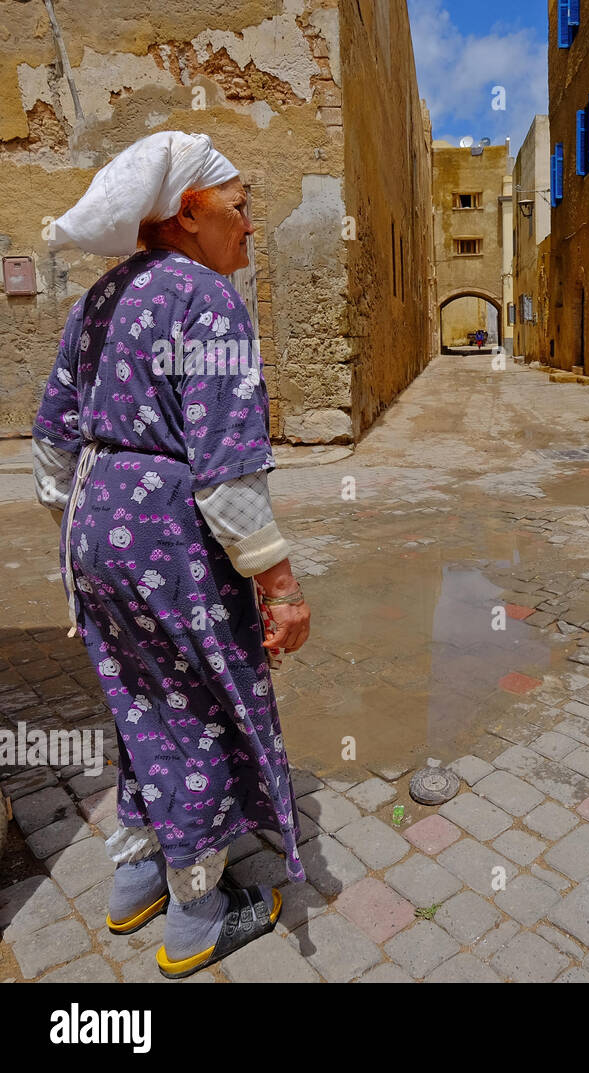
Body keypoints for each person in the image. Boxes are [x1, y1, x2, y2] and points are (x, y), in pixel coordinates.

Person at [34, 131, 311, 979]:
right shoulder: (209, 301)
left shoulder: (101, 298)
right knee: (193, 711)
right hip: (169, 537)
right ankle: (196, 914)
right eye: (240, 207)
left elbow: (51, 438)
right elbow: (227, 471)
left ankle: (136, 879)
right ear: (188, 213)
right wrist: (281, 583)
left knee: (140, 700)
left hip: (96, 527)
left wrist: (84, 530)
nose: (251, 227)